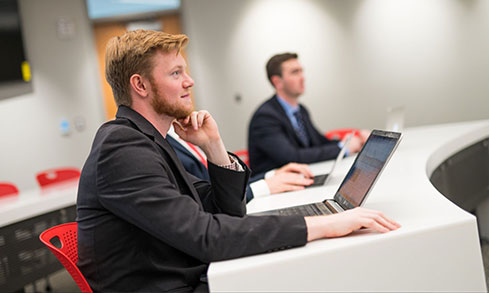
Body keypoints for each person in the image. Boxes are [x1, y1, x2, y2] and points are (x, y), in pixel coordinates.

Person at [76, 30, 400, 293]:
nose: (189, 82)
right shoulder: (122, 148)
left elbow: (226, 212)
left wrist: (214, 148)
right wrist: (322, 224)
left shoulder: (149, 140)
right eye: (176, 73)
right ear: (140, 85)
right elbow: (207, 236)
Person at [248, 52, 369, 174]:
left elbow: (319, 143)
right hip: (275, 188)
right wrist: (343, 148)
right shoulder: (265, 117)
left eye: (302, 71)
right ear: (277, 82)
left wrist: (352, 142)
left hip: (300, 178)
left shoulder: (301, 110)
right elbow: (292, 157)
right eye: (295, 72)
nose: (302, 77)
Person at [166, 129, 315, 201]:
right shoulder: (160, 144)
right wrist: (264, 186)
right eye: (176, 73)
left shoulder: (180, 130)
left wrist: (270, 176)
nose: (189, 82)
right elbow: (204, 201)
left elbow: (222, 185)